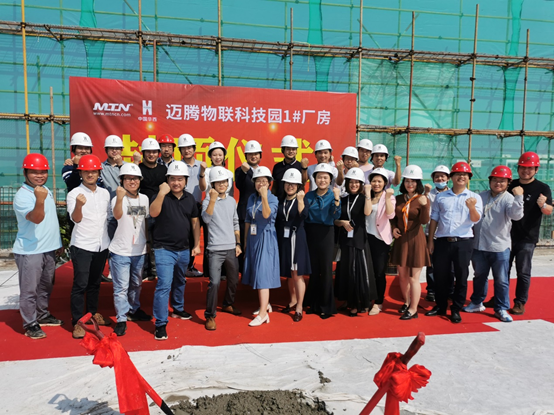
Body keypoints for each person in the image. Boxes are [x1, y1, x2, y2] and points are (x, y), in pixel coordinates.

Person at [464, 166, 524, 323]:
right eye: (495, 180)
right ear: (490, 181)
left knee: (501, 279)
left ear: (508, 183)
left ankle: (501, 308)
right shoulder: (480, 196)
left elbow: (516, 216)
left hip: (499, 247)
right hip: (479, 245)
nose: (498, 183)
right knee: (479, 276)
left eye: (502, 181)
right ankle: (477, 302)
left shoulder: (509, 199)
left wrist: (519, 198)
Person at [13, 153, 63, 339]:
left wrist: (57, 242)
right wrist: (39, 199)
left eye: (43, 172)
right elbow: (37, 218)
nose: (40, 175)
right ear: (25, 173)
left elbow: (50, 220)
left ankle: (42, 315)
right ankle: (30, 323)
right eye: (34, 172)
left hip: (48, 248)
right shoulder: (23, 196)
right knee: (29, 290)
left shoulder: (45, 190)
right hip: (30, 250)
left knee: (45, 286)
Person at [426, 161, 483, 324]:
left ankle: (456, 308)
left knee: (461, 275)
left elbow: (476, 219)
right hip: (442, 241)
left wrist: (471, 207)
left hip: (464, 242)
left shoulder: (475, 197)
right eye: (458, 174)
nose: (461, 177)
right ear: (451, 177)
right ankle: (440, 305)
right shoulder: (441, 197)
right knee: (440, 275)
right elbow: (434, 218)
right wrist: (430, 240)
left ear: (468, 178)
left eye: (464, 175)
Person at [150, 161, 201, 340]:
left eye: (180, 179)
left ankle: (178, 309)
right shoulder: (161, 195)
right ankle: (160, 323)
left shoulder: (190, 199)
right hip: (164, 248)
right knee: (164, 284)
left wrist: (196, 244)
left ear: (186, 180)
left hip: (184, 249)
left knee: (180, 281)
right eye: (173, 179)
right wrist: (161, 194)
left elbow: (195, 223)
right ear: (167, 180)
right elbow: (153, 213)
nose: (176, 183)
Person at [67, 155, 112, 339]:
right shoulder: (74, 194)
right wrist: (79, 205)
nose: (90, 174)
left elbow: (108, 217)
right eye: (86, 171)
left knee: (94, 283)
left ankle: (92, 314)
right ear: (81, 173)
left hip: (101, 245)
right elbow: (75, 219)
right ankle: (78, 322)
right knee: (80, 284)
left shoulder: (105, 193)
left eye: (93, 171)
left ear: (99, 173)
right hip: (82, 245)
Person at [503, 152, 552, 315]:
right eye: (523, 167)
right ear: (518, 168)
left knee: (523, 271)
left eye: (530, 168)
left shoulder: (542, 188)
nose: (526, 171)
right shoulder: (510, 185)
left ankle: (520, 302)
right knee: (502, 270)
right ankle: (500, 298)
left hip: (527, 238)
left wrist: (543, 205)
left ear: (536, 170)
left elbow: (549, 210)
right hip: (506, 235)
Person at [109, 163, 152, 337]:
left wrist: (147, 242)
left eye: (135, 178)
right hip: (121, 250)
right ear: (122, 181)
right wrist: (120, 198)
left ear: (140, 180)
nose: (132, 181)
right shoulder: (116, 199)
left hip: (139, 250)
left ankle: (134, 309)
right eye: (128, 178)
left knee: (136, 283)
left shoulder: (145, 199)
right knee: (121, 287)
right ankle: (121, 319)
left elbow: (145, 221)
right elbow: (117, 215)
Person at [201, 167, 242, 331]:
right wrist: (212, 200)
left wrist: (238, 243)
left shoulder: (232, 201)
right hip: (214, 249)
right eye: (218, 182)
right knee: (215, 282)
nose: (222, 184)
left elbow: (235, 222)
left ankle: (228, 304)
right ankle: (210, 315)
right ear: (212, 184)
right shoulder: (207, 200)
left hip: (231, 247)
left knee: (234, 279)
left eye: (224, 181)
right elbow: (206, 219)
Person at [390, 165, 431, 320]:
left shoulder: (422, 199)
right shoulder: (398, 199)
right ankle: (406, 302)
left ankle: (414, 309)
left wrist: (425, 205)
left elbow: (424, 221)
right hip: (401, 240)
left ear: (418, 183)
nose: (410, 184)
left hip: (416, 240)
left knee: (414, 277)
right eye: (407, 181)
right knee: (402, 276)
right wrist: (393, 228)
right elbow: (393, 217)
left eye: (413, 181)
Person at [334, 167, 375, 317]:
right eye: (351, 182)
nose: (353, 185)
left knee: (357, 271)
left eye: (357, 182)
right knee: (345, 270)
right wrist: (342, 222)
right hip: (345, 240)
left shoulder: (364, 199)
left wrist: (368, 193)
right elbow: (335, 219)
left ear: (361, 184)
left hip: (358, 240)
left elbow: (367, 212)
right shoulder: (343, 199)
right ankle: (347, 300)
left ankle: (357, 303)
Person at [242, 166, 280, 327]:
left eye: (264, 181)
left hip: (266, 237)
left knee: (263, 273)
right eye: (258, 181)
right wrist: (245, 241)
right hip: (253, 238)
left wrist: (264, 197)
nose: (261, 184)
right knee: (256, 271)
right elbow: (248, 219)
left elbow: (266, 215)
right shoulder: (252, 198)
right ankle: (265, 304)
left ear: (269, 183)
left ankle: (263, 314)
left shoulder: (273, 199)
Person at [304, 163, 342, 319]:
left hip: (326, 233)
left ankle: (326, 307)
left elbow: (336, 215)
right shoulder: (308, 196)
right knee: (314, 270)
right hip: (311, 233)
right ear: (314, 179)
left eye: (325, 177)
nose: (322, 180)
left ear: (330, 180)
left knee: (326, 270)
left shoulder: (333, 195)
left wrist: (337, 199)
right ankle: (313, 304)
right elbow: (304, 215)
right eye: (319, 177)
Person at [276, 169, 311, 322]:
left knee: (297, 273)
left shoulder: (302, 199)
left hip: (297, 238)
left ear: (298, 185)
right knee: (289, 273)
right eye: (288, 183)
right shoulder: (281, 200)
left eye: (294, 184)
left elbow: (304, 215)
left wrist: (301, 200)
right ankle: (292, 300)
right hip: (284, 239)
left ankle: (299, 307)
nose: (290, 186)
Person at [365, 168, 396, 315]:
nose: (376, 184)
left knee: (379, 272)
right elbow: (365, 213)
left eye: (379, 181)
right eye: (374, 181)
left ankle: (378, 302)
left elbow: (390, 215)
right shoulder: (367, 196)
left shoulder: (389, 197)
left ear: (385, 183)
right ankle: (366, 299)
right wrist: (366, 194)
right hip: (366, 238)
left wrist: (388, 198)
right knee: (366, 270)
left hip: (380, 239)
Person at [137, 138, 167, 281]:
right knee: (142, 240)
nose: (151, 154)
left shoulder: (163, 170)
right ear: (143, 153)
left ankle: (156, 270)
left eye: (154, 152)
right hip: (141, 210)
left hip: (160, 211)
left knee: (158, 242)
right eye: (148, 152)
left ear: (158, 153)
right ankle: (144, 270)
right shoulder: (138, 169)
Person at [423, 165, 451, 302]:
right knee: (431, 265)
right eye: (437, 176)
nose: (440, 179)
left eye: (442, 176)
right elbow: (424, 212)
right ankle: (431, 290)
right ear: (433, 179)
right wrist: (425, 194)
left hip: (447, 234)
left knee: (449, 265)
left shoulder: (452, 193)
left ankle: (449, 290)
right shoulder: (429, 193)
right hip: (431, 234)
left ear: (448, 178)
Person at [178, 133, 204, 278]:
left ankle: (189, 266)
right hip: (181, 205)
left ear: (194, 149)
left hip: (196, 205)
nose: (187, 150)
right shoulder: (178, 166)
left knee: (194, 237)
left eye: (189, 147)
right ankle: (180, 266)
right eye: (184, 148)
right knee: (182, 236)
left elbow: (204, 187)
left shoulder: (202, 165)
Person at [235, 140, 262, 273]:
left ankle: (255, 267)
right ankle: (241, 269)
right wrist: (243, 172)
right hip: (244, 211)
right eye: (250, 154)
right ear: (245, 155)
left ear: (260, 155)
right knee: (243, 240)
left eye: (256, 154)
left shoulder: (263, 171)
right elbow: (239, 185)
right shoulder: (240, 170)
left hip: (259, 211)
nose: (253, 156)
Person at [272, 135, 308, 199]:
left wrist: (304, 168)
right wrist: (272, 199)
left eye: (293, 149)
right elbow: (274, 186)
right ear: (283, 150)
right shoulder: (277, 167)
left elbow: (303, 183)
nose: (291, 151)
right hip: (279, 201)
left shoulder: (300, 166)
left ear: (296, 151)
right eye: (288, 149)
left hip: (295, 201)